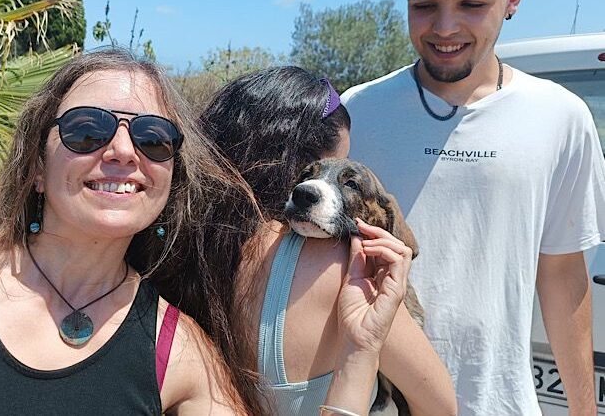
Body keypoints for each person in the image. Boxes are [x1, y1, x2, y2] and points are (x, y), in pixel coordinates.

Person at [0, 49, 255, 414]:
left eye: (153, 138)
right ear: (37, 167)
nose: (124, 150)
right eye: (88, 130)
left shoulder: (178, 353)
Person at [341, 0, 605, 414]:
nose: (445, 27)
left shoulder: (562, 118)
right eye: (424, 4)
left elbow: (562, 273)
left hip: (500, 403)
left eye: (472, 3)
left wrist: (584, 410)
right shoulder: (357, 113)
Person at [190, 66, 456, 415]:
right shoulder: (344, 271)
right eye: (318, 169)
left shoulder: (187, 253)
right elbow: (440, 406)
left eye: (347, 181)